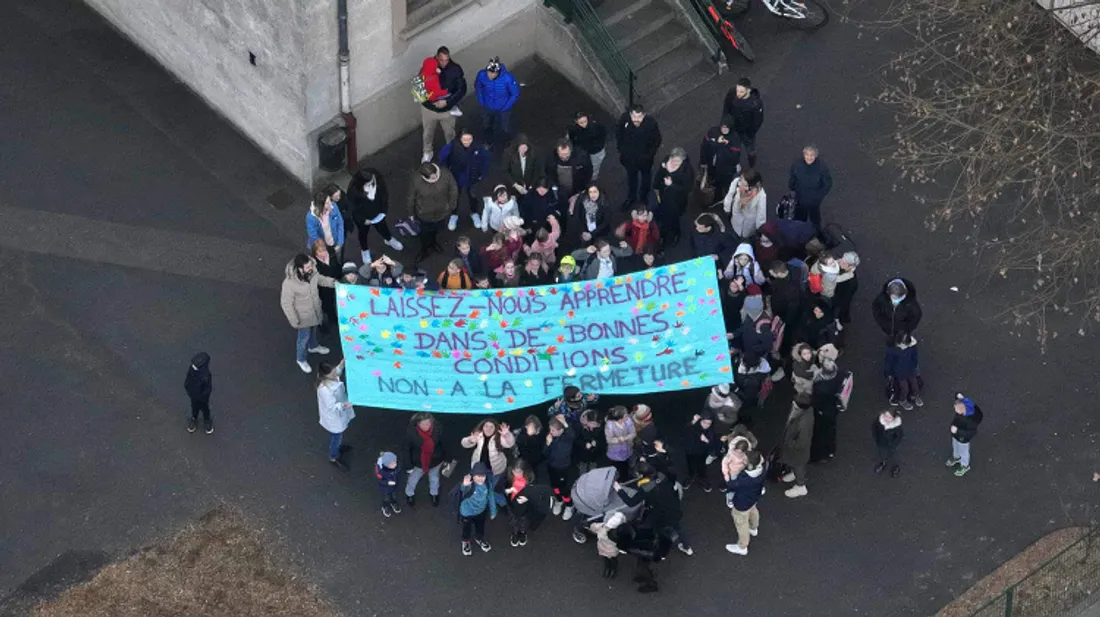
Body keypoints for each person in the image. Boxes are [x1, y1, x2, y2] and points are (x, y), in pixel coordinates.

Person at [615, 460, 693, 556]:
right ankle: (687, 547)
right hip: (674, 507)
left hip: (661, 513)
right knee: (678, 528)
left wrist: (619, 489)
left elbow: (631, 502)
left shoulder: (646, 488)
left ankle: (660, 550)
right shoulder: (662, 476)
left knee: (655, 529)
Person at [280, 254, 333, 373]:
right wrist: (294, 320)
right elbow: (286, 303)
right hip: (302, 317)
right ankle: (301, 359)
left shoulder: (312, 272)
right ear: (300, 268)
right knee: (303, 338)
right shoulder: (289, 283)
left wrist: (333, 283)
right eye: (308, 267)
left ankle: (313, 346)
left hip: (315, 311)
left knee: (313, 331)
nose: (311, 268)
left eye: (310, 265)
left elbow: (320, 279)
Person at [420, 46, 467, 162]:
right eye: (441, 60)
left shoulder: (455, 69)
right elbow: (419, 89)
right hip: (429, 109)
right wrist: (431, 103)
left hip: (447, 109)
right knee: (428, 133)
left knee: (450, 133)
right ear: (436, 58)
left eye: (447, 60)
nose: (444, 63)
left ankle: (450, 151)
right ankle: (427, 152)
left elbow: (461, 89)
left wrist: (448, 101)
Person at [346, 169, 402, 265]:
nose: (373, 183)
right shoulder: (353, 192)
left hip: (378, 214)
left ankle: (388, 239)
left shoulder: (378, 182)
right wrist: (363, 220)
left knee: (383, 227)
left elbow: (384, 197)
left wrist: (383, 211)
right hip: (363, 218)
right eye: (369, 183)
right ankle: (364, 250)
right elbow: (352, 209)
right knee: (363, 234)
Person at [439, 129, 492, 230]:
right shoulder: (452, 146)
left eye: (470, 139)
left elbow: (486, 160)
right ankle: (454, 215)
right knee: (455, 197)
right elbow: (442, 158)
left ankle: (474, 213)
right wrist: (447, 173)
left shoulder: (478, 147)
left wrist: (482, 174)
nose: (467, 142)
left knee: (473, 196)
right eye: (465, 139)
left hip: (473, 177)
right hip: (456, 176)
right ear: (460, 138)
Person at [407, 163, 458, 263]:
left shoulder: (445, 173)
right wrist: (411, 213)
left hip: (442, 211)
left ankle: (433, 242)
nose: (434, 178)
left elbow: (453, 189)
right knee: (424, 232)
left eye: (435, 175)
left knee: (437, 229)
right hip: (425, 213)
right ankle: (424, 248)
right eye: (431, 177)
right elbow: (411, 198)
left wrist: (451, 204)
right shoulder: (416, 180)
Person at [616, 104, 663, 208]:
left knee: (646, 178)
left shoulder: (651, 123)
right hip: (630, 159)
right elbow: (619, 134)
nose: (636, 119)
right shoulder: (624, 119)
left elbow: (657, 140)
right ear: (630, 114)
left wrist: (649, 155)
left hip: (645, 160)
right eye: (634, 116)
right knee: (631, 178)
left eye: (639, 117)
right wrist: (622, 150)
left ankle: (643, 197)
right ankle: (631, 197)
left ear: (644, 115)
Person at [650, 147, 694, 246]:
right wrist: (656, 186)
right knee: (663, 212)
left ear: (683, 160)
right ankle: (663, 231)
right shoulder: (666, 161)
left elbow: (687, 189)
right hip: (663, 194)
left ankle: (676, 234)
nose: (674, 163)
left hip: (676, 200)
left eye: (677, 161)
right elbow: (659, 174)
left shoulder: (687, 170)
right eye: (673, 160)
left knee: (674, 218)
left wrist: (672, 185)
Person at [474, 56, 520, 149]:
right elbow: (478, 86)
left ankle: (508, 144)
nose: (490, 75)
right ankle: (488, 142)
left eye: (493, 73)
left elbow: (515, 93)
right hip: (487, 106)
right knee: (487, 125)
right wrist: (481, 99)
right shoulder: (482, 75)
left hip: (503, 108)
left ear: (498, 72)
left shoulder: (508, 78)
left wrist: (506, 106)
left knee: (505, 126)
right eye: (489, 72)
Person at [316, 360, 353, 471]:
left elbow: (338, 370)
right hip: (334, 417)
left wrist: (343, 362)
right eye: (332, 374)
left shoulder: (330, 378)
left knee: (339, 434)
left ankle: (337, 449)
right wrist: (344, 404)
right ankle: (333, 456)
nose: (335, 374)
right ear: (326, 376)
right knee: (336, 436)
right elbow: (332, 407)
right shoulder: (325, 390)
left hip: (339, 414)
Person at [505, 459, 550, 547]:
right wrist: (508, 490)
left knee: (524, 521)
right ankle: (515, 533)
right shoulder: (508, 477)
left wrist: (527, 498)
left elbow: (538, 494)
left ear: (525, 471)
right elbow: (499, 488)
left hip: (526, 507)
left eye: (519, 471)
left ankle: (522, 532)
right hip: (512, 505)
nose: (516, 474)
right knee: (513, 521)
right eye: (514, 471)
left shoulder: (531, 480)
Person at [545, 140, 593, 221]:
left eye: (566, 155)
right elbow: (549, 174)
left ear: (571, 150)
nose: (564, 158)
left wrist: (582, 190)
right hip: (560, 190)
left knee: (578, 212)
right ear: (557, 151)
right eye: (562, 155)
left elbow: (588, 173)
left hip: (577, 190)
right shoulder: (551, 159)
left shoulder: (582, 157)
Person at [787, 145, 833, 228]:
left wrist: (819, 197)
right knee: (800, 219)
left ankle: (817, 233)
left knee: (815, 219)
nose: (809, 157)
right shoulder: (797, 164)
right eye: (807, 155)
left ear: (815, 155)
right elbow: (792, 178)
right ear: (803, 154)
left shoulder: (822, 167)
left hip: (814, 200)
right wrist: (793, 188)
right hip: (801, 198)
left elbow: (827, 183)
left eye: (812, 155)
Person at [722, 78, 764, 168]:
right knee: (732, 148)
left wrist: (750, 133)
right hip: (734, 128)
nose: (738, 94)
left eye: (741, 92)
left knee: (750, 150)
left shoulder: (755, 104)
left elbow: (758, 121)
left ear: (748, 90)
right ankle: (734, 164)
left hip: (746, 132)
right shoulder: (732, 92)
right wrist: (724, 123)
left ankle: (751, 165)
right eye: (737, 90)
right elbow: (726, 108)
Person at [406, 413, 446, 507]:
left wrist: (446, 457)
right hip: (418, 462)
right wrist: (408, 465)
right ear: (418, 424)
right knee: (413, 480)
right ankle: (409, 494)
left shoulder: (437, 429)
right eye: (423, 424)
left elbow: (443, 443)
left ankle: (434, 494)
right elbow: (406, 449)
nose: (426, 426)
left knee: (435, 479)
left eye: (428, 424)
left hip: (435, 461)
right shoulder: (411, 433)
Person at [458, 462, 497, 555]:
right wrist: (465, 485)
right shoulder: (470, 484)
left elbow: (491, 496)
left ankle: (479, 538)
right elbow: (463, 490)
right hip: (467, 512)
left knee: (480, 527)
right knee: (466, 528)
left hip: (481, 511)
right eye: (477, 476)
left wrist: (493, 510)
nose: (480, 478)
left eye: (483, 476)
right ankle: (466, 541)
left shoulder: (487, 484)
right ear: (473, 476)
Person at [700, 116, 742, 201]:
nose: (724, 129)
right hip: (712, 165)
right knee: (714, 183)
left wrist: (723, 145)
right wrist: (703, 161)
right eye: (723, 127)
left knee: (727, 186)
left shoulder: (734, 138)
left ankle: (728, 202)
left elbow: (734, 156)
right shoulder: (713, 132)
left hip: (726, 169)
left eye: (727, 127)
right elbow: (705, 147)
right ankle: (717, 198)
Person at [810, 359, 844, 462]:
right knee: (831, 431)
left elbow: (815, 401)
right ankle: (831, 451)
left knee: (820, 434)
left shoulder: (820, 387)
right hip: (833, 409)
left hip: (822, 412)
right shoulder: (840, 374)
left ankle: (819, 456)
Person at [780, 395, 814, 498]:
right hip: (796, 449)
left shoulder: (803, 424)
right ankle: (794, 474)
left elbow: (801, 443)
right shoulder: (807, 411)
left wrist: (788, 442)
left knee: (798, 465)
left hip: (798, 451)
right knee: (795, 465)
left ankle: (801, 486)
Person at [545, 417, 577, 520]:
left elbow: (572, 434)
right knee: (555, 486)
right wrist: (547, 444)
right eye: (550, 429)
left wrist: (564, 422)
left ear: (561, 430)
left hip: (563, 468)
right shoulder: (550, 437)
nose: (550, 432)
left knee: (564, 489)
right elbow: (545, 453)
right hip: (551, 466)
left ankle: (569, 505)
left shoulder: (567, 438)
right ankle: (559, 501)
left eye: (553, 430)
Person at [724, 168, 767, 240]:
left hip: (747, 227)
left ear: (751, 186)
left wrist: (760, 229)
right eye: (741, 180)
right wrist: (727, 209)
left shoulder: (761, 195)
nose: (740, 185)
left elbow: (761, 214)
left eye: (744, 185)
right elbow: (730, 195)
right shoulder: (736, 182)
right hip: (735, 221)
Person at [683, 411, 720, 492]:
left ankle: (702, 479)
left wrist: (707, 441)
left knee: (701, 467)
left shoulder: (711, 431)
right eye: (704, 422)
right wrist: (693, 421)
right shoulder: (695, 425)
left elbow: (714, 444)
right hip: (690, 451)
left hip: (702, 453)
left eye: (708, 423)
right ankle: (690, 476)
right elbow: (685, 431)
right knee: (690, 466)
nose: (706, 425)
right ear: (700, 420)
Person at [948, 393, 983, 477]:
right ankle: (956, 457)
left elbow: (970, 433)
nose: (955, 411)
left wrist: (957, 431)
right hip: (956, 433)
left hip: (963, 438)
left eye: (956, 410)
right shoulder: (968, 406)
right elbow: (965, 401)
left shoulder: (971, 421)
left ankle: (965, 465)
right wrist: (959, 396)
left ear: (961, 410)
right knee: (955, 445)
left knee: (963, 451)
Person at [885, 332, 922, 410]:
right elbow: (889, 363)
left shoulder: (911, 349)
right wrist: (889, 373)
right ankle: (903, 400)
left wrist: (914, 367)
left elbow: (914, 358)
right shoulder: (893, 351)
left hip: (909, 370)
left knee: (914, 384)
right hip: (900, 373)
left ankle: (915, 395)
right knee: (905, 388)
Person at [569, 111, 609, 180]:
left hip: (596, 152)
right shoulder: (574, 129)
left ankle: (592, 179)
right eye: (581, 123)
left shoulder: (596, 127)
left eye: (585, 121)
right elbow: (572, 139)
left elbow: (602, 136)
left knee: (594, 167)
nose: (584, 124)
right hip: (584, 152)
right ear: (576, 122)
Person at [305, 191, 345, 257]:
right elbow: (314, 235)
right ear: (321, 206)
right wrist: (323, 250)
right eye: (327, 203)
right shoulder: (311, 217)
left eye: (329, 201)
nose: (330, 204)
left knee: (337, 259)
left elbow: (340, 223)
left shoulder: (333, 206)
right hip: (320, 247)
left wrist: (340, 242)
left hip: (334, 242)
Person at [184, 352, 213, 434]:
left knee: (205, 408)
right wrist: (188, 390)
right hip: (194, 395)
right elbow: (188, 380)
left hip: (202, 398)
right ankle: (194, 418)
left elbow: (208, 388)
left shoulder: (206, 376)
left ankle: (207, 420)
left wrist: (203, 396)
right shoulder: (192, 370)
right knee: (194, 407)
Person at [604, 405, 636, 480]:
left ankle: (624, 478)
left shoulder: (628, 421)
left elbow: (633, 433)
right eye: (625, 415)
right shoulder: (610, 425)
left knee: (625, 466)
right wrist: (618, 440)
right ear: (620, 418)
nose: (628, 416)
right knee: (614, 466)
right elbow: (609, 440)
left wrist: (625, 438)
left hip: (627, 449)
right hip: (615, 452)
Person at [592, 512, 627, 578]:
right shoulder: (620, 532)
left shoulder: (603, 528)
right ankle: (610, 569)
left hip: (605, 548)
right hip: (609, 549)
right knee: (609, 559)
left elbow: (593, 528)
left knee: (609, 559)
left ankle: (610, 569)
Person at [872, 409, 904, 477]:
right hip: (881, 443)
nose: (886, 418)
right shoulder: (879, 422)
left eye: (889, 417)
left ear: (894, 418)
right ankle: (883, 463)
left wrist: (894, 444)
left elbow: (899, 436)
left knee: (894, 456)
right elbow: (874, 430)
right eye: (886, 415)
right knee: (882, 454)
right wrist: (876, 439)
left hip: (892, 445)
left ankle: (895, 466)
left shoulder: (896, 427)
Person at [573, 409, 606, 474]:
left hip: (594, 454)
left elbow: (602, 440)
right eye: (592, 423)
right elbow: (576, 440)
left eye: (596, 424)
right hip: (582, 454)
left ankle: (592, 475)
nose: (594, 426)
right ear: (586, 421)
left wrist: (597, 443)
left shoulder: (599, 427)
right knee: (583, 468)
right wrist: (584, 444)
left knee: (593, 466)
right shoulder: (579, 427)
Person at [834, 251, 860, 326]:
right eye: (842, 259)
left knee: (840, 308)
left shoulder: (851, 283)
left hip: (839, 297)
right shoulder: (844, 268)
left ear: (851, 267)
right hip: (838, 293)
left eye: (843, 263)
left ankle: (842, 318)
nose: (840, 263)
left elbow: (844, 299)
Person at [375, 451, 402, 517]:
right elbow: (380, 481)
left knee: (394, 495)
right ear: (386, 464)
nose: (395, 464)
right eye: (392, 464)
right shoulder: (381, 471)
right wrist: (387, 483)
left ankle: (393, 503)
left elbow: (399, 470)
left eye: (395, 462)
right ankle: (385, 506)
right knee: (386, 497)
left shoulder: (396, 467)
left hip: (394, 485)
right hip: (385, 488)